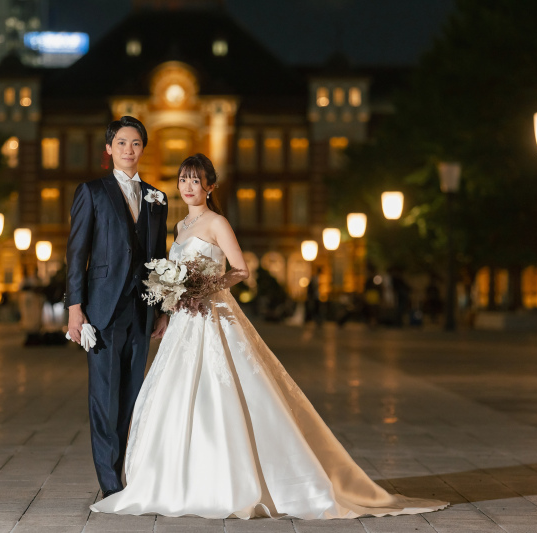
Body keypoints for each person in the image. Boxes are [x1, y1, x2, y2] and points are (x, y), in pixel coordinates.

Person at [91, 154, 447, 520]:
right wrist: (172, 296)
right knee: (178, 393)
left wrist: (205, 285)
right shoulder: (180, 227)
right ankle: (173, 478)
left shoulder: (217, 222)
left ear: (210, 186)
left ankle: (246, 480)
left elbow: (241, 270)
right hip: (184, 320)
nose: (188, 186)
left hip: (213, 314)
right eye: (184, 179)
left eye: (196, 180)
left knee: (225, 391)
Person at [65, 116, 169, 499]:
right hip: (102, 309)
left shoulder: (158, 198)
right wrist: (75, 308)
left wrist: (161, 309)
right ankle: (110, 485)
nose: (129, 149)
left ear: (143, 148)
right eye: (122, 143)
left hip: (141, 310)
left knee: (132, 397)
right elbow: (76, 254)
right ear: (109, 149)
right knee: (105, 400)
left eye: (136, 143)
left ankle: (123, 471)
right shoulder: (91, 192)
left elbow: (158, 257)